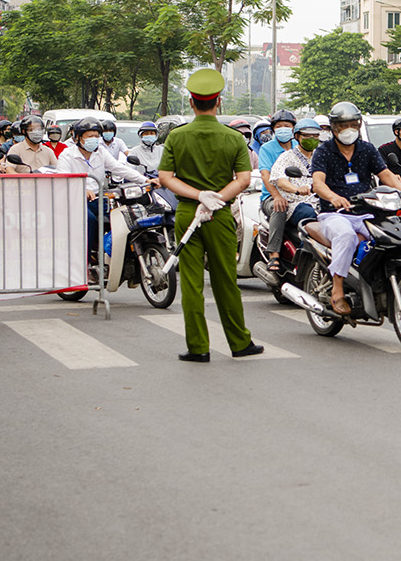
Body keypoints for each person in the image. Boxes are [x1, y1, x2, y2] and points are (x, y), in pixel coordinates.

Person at [157, 68, 262, 361]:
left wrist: (197, 196)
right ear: (218, 103)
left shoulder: (177, 136)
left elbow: (165, 177)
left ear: (192, 102)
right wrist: (215, 199)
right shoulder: (233, 138)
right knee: (225, 279)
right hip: (220, 215)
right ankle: (240, 343)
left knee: (191, 282)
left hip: (188, 213)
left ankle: (198, 347)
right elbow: (242, 179)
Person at [309, 101, 401, 314]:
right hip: (334, 214)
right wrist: (333, 197)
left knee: (390, 235)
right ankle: (337, 290)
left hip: (365, 212)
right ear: (334, 128)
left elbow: (385, 174)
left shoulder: (367, 149)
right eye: (343, 125)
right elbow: (318, 183)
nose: (348, 130)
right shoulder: (323, 152)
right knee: (346, 236)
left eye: (353, 124)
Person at [55, 117, 149, 263]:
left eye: (96, 136)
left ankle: (126, 259)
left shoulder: (101, 153)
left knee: (125, 217)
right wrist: (82, 190)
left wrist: (145, 180)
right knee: (90, 221)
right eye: (90, 136)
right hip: (75, 200)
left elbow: (119, 169)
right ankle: (85, 264)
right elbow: (62, 180)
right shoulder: (67, 155)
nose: (94, 139)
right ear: (78, 138)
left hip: (99, 198)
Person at [266, 118, 324, 270]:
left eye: (315, 136)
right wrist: (296, 189)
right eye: (306, 136)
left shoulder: (321, 156)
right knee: (310, 218)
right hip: (296, 202)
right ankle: (305, 258)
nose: (312, 139)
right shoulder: (287, 156)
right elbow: (279, 179)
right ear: (297, 137)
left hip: (321, 202)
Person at [257, 109, 298, 270]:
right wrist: (276, 196)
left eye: (287, 125)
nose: (283, 129)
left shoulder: (298, 146)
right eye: (279, 126)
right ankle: (274, 254)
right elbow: (265, 175)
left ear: (293, 128)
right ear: (273, 129)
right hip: (271, 197)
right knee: (280, 207)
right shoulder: (267, 148)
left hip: (299, 195)